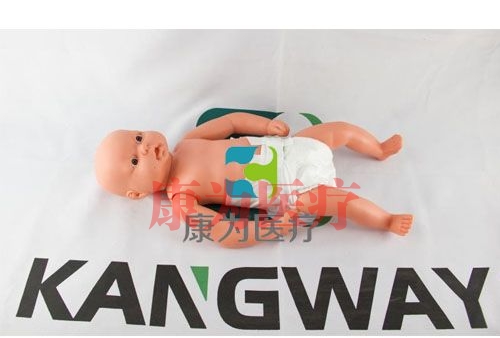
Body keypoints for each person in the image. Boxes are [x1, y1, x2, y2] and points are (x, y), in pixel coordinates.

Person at [95, 112, 413, 248]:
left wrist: (265, 126)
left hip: (290, 148)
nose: (145, 147)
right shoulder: (182, 199)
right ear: (136, 194)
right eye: (135, 161)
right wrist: (273, 228)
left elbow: (231, 122)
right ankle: (386, 220)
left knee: (340, 130)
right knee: (344, 203)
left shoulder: (188, 142)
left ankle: (378, 148)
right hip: (290, 189)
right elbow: (225, 233)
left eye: (138, 137)